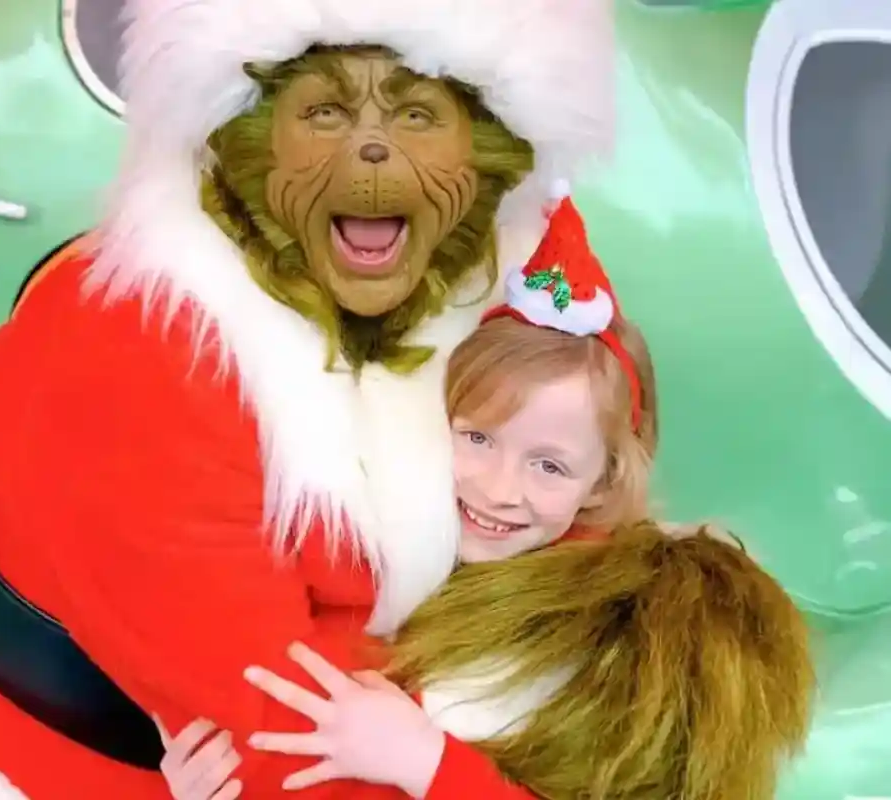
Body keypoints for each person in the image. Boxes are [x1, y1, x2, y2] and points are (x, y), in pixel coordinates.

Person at [0, 1, 617, 798]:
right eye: (326, 112)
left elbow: (598, 424)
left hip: (383, 683)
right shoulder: (143, 358)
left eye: (417, 113)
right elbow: (281, 741)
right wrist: (448, 771)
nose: (373, 158)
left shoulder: (513, 234)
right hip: (106, 752)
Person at [158, 201, 815, 800]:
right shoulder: (392, 548)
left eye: (549, 465)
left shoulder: (615, 638)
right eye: (476, 437)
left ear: (605, 480)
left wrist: (427, 764)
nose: (501, 490)